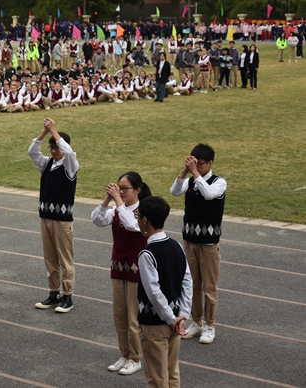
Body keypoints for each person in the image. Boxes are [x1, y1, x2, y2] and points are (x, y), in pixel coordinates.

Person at [92, 172, 152, 376]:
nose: (122, 192)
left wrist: (117, 200)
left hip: (136, 271)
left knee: (133, 318)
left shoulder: (143, 212)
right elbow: (97, 220)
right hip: (118, 268)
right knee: (119, 316)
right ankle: (124, 354)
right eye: (119, 188)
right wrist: (107, 199)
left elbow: (132, 225)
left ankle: (136, 358)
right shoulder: (118, 209)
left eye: (125, 188)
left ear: (138, 190)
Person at [170, 144, 226, 345]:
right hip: (190, 241)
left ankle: (210, 325)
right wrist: (185, 171)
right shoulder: (191, 181)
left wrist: (195, 173)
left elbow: (209, 194)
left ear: (210, 163)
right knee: (191, 284)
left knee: (209, 287)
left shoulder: (219, 182)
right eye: (194, 163)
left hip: (209, 244)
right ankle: (196, 321)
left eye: (200, 164)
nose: (197, 167)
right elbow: (174, 191)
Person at [136, 196, 192, 388]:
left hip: (155, 324)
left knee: (157, 378)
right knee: (172, 373)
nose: (137, 219)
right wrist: (182, 314)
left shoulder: (147, 254)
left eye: (138, 216)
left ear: (145, 220)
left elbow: (153, 292)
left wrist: (169, 318)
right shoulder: (177, 246)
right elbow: (187, 281)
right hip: (175, 321)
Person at [29, 118, 79, 313]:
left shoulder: (70, 165)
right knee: (50, 258)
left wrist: (54, 131)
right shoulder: (47, 163)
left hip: (62, 220)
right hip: (46, 217)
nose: (53, 151)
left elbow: (69, 152)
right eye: (51, 147)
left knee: (65, 259)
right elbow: (32, 152)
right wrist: (44, 133)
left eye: (56, 147)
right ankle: (53, 293)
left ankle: (68, 296)